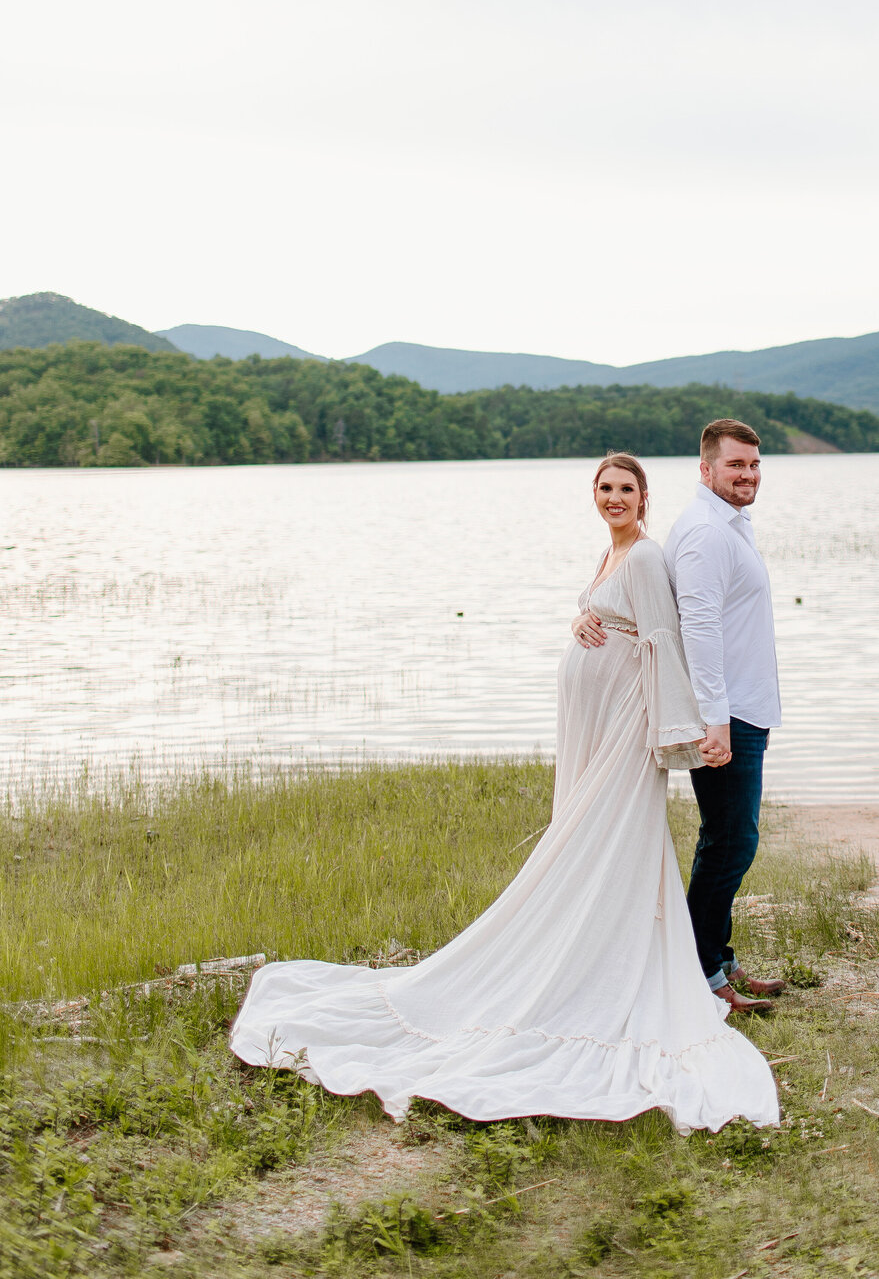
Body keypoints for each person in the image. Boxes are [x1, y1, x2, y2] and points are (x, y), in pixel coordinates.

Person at [230, 452, 778, 1135]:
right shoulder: (612, 553)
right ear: (595, 496)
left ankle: (621, 961)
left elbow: (662, 640)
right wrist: (579, 620)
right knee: (582, 839)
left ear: (646, 497)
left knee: (603, 840)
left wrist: (679, 733)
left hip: (622, 729)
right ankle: (596, 949)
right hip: (594, 721)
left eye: (626, 490)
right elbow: (611, 618)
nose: (614, 499)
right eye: (605, 489)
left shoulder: (645, 557)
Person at [663, 419, 784, 1013]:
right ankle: (705, 971)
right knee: (731, 844)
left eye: (754, 464)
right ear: (706, 469)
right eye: (735, 465)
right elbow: (699, 627)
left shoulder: (729, 525)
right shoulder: (707, 533)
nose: (748, 475)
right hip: (726, 713)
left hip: (742, 706)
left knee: (728, 840)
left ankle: (716, 957)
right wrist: (715, 719)